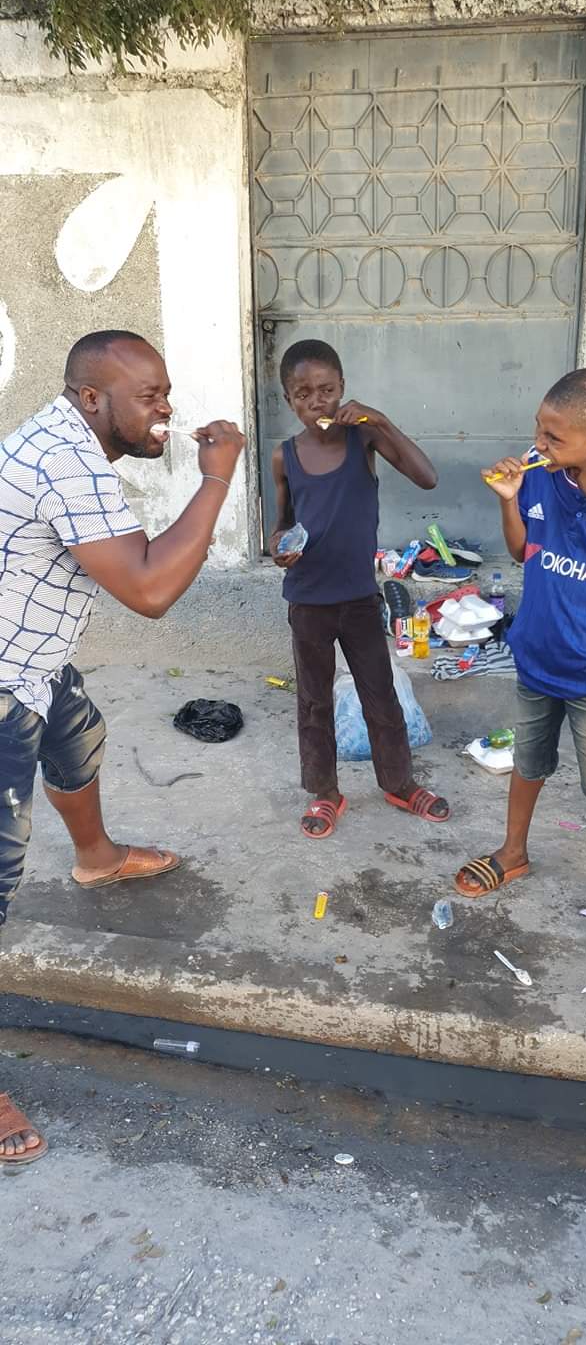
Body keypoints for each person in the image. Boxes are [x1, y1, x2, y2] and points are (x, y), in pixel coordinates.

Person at [0, 329, 245, 1162]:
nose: (167, 410)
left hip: (32, 660)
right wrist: (215, 481)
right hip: (1, 678)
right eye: (151, 396)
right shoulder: (64, 459)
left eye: (166, 393)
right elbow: (148, 588)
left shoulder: (66, 439)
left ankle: (97, 856)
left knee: (79, 737)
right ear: (93, 399)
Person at [453, 368, 586, 970]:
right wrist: (509, 502)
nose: (539, 442)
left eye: (555, 436)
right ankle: (513, 853)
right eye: (539, 428)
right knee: (528, 761)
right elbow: (520, 550)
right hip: (537, 656)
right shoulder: (542, 473)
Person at [269, 338, 450, 839]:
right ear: (289, 400)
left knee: (381, 693)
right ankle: (325, 794)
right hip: (307, 598)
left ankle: (399, 783)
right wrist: (279, 546)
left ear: (343, 389)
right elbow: (280, 525)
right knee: (313, 701)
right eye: (303, 394)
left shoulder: (362, 442)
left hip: (357, 597)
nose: (316, 403)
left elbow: (427, 477)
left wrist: (378, 420)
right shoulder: (285, 457)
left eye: (326, 390)